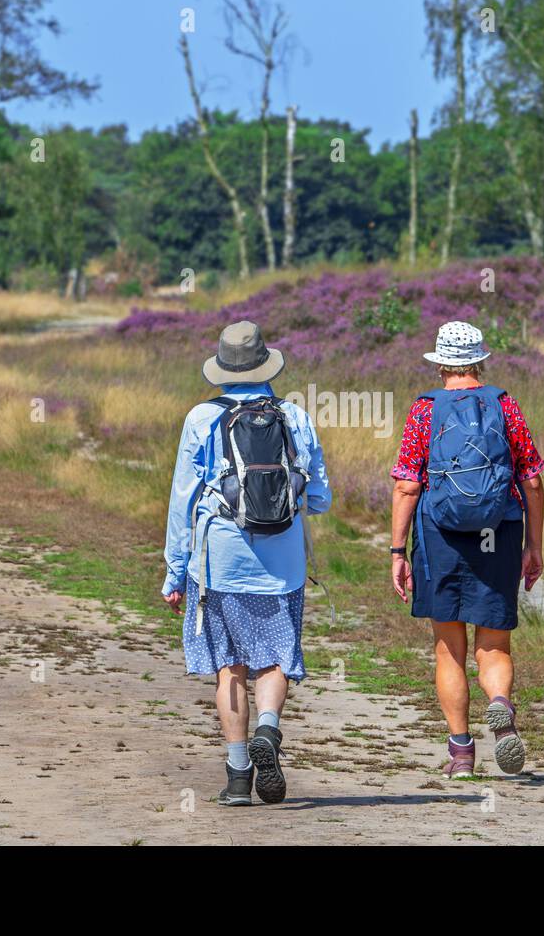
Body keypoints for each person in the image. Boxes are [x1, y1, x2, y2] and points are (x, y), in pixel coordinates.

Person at [161, 321, 331, 806]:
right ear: (265, 364)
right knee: (276, 657)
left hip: (218, 563)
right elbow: (318, 497)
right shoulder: (294, 416)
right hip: (282, 563)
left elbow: (182, 501)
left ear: (223, 369)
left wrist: (176, 571)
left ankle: (238, 779)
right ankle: (269, 731)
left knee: (229, 668)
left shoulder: (201, 418)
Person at [390, 321, 544, 779]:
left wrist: (398, 551)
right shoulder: (504, 404)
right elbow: (532, 480)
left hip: (440, 535)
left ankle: (461, 754)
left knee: (448, 649)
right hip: (498, 530)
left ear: (440, 362)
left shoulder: (424, 410)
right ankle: (499, 704)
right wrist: (533, 545)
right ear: (480, 359)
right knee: (494, 644)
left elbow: (406, 485)